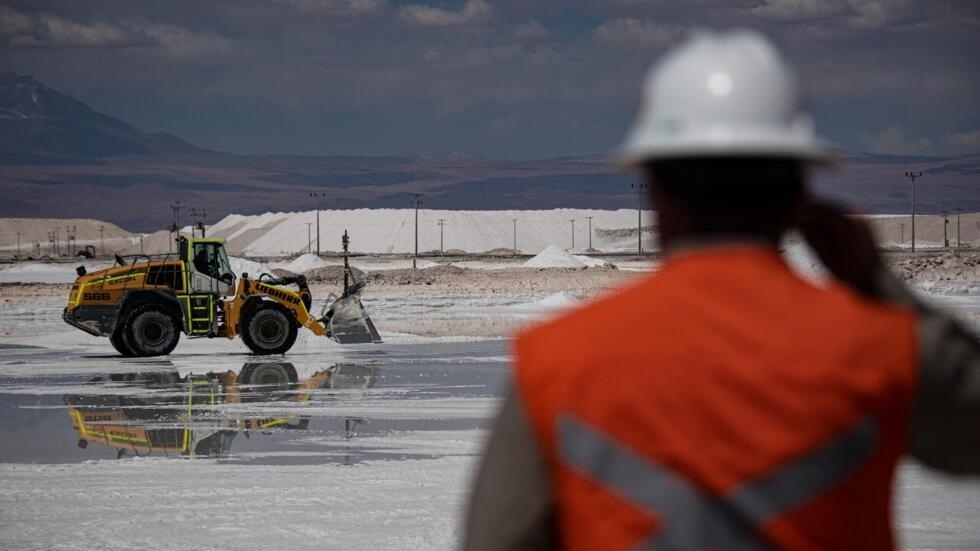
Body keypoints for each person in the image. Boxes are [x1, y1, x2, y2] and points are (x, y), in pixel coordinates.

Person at [463, 30, 980, 550]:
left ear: (657, 193)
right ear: (800, 193)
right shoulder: (881, 347)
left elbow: (498, 539)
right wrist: (876, 283)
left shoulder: (555, 361)